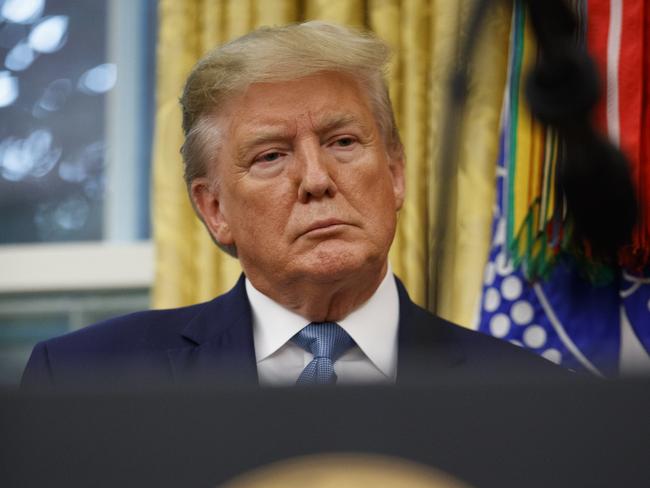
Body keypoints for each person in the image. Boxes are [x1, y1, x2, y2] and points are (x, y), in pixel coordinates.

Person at [22, 21, 563, 388]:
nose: (316, 179)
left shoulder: (530, 393)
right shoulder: (83, 377)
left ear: (395, 174)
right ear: (215, 210)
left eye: (343, 142)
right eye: (271, 155)